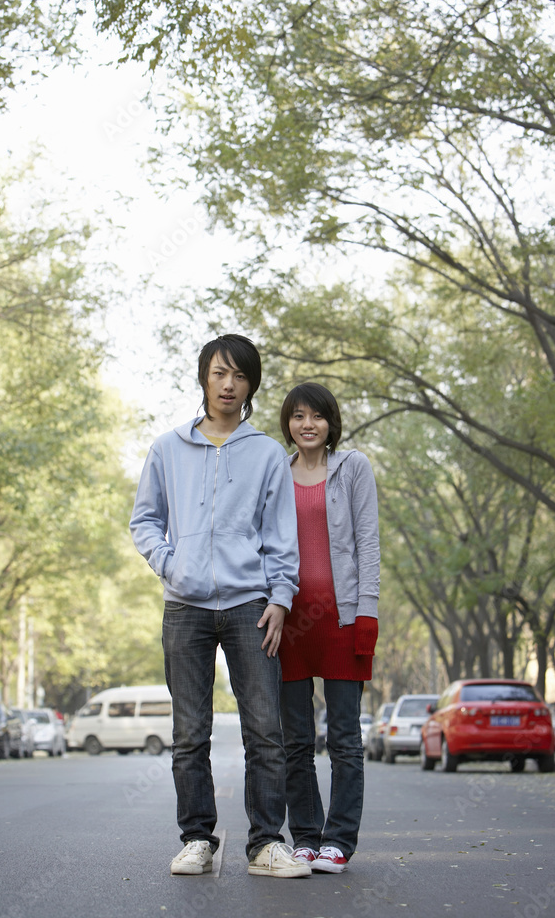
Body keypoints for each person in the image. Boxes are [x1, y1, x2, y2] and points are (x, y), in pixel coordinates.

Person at [129, 334, 311, 879]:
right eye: (218, 373)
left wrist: (280, 598)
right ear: (204, 379)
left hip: (249, 606)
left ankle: (265, 845)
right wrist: (171, 563)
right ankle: (196, 839)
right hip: (184, 607)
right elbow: (144, 521)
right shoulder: (167, 448)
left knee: (264, 728)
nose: (228, 384)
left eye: (239, 376)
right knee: (190, 732)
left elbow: (282, 536)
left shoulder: (265, 455)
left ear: (251, 384)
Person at [278, 382, 380, 873]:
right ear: (288, 423)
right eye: (298, 416)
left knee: (344, 738)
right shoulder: (274, 470)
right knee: (294, 740)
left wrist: (368, 614)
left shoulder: (353, 468)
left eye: (316, 416)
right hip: (287, 621)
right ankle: (305, 835)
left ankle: (338, 840)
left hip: (341, 620)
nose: (307, 424)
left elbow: (368, 545)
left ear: (330, 422)